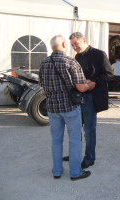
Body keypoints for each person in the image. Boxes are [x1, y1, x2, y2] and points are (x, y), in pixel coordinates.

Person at [39, 35, 94, 180]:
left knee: (56, 140)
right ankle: (75, 172)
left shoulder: (44, 63)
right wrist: (90, 84)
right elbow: (81, 87)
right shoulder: (70, 62)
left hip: (52, 108)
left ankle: (57, 171)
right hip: (70, 107)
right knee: (75, 140)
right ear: (64, 44)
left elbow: (41, 85)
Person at [65, 32, 113, 169]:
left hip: (92, 97)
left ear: (84, 40)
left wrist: (92, 81)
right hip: (78, 97)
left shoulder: (99, 54)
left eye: (76, 43)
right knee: (75, 128)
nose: (75, 47)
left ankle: (90, 158)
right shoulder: (78, 56)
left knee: (89, 130)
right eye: (73, 45)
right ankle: (75, 154)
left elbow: (109, 74)